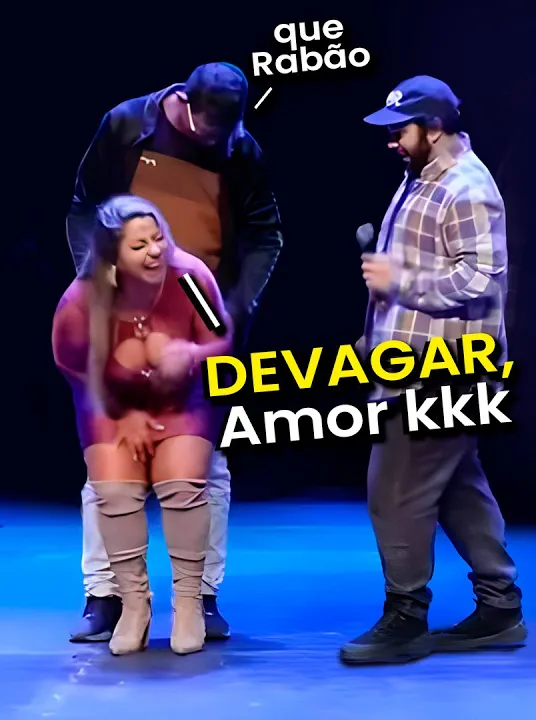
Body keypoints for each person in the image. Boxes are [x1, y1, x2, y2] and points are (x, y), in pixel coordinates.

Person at [65, 62, 283, 642]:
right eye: (210, 128)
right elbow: (84, 205)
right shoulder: (126, 124)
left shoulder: (241, 148)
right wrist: (95, 285)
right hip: (123, 310)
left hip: (198, 310)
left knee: (207, 462)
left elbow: (265, 233)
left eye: (228, 131)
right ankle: (106, 595)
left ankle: (201, 595)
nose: (218, 141)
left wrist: (232, 311)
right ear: (185, 104)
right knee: (108, 454)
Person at [339, 76, 526, 665]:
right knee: (455, 487)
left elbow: (480, 278)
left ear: (435, 127)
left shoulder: (467, 188)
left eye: (401, 130)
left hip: (447, 374)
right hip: (409, 364)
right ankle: (499, 606)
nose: (392, 140)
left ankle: (406, 615)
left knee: (394, 490)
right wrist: (374, 336)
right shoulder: (419, 177)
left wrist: (403, 281)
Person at [52, 195, 232, 655]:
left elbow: (218, 338)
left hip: (183, 398)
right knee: (113, 490)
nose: (155, 251)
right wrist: (122, 414)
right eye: (139, 246)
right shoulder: (85, 297)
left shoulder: (189, 277)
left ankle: (190, 604)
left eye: (159, 239)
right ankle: (134, 605)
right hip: (112, 403)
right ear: (112, 255)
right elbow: (77, 368)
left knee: (184, 483)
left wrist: (189, 354)